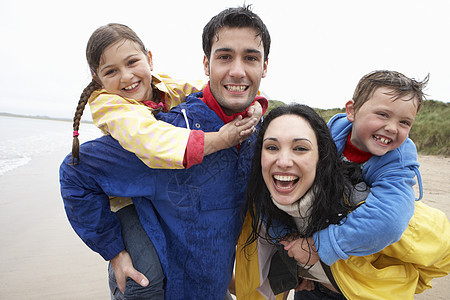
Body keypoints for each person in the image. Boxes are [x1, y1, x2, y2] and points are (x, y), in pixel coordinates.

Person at [60, 5, 271, 300]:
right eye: (224, 56)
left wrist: (257, 105)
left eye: (250, 57)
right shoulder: (148, 124)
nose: (126, 77)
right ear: (207, 63)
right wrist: (114, 251)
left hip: (213, 287)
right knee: (143, 282)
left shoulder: (260, 135)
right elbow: (76, 169)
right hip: (125, 208)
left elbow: (202, 89)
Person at [236, 104, 449, 299]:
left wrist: (390, 285)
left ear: (322, 156)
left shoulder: (367, 211)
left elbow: (442, 251)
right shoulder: (263, 203)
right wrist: (300, 270)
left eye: (300, 148)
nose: (283, 162)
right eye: (272, 147)